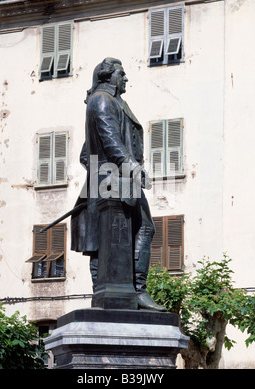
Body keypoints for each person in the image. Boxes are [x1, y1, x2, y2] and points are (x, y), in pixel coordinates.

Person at [71, 57, 166, 311]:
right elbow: (111, 140)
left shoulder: (112, 102)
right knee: (137, 230)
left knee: (108, 240)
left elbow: (85, 153)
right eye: (121, 74)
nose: (125, 78)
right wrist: (132, 168)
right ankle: (135, 291)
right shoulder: (103, 100)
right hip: (116, 180)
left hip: (110, 179)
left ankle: (121, 293)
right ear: (107, 76)